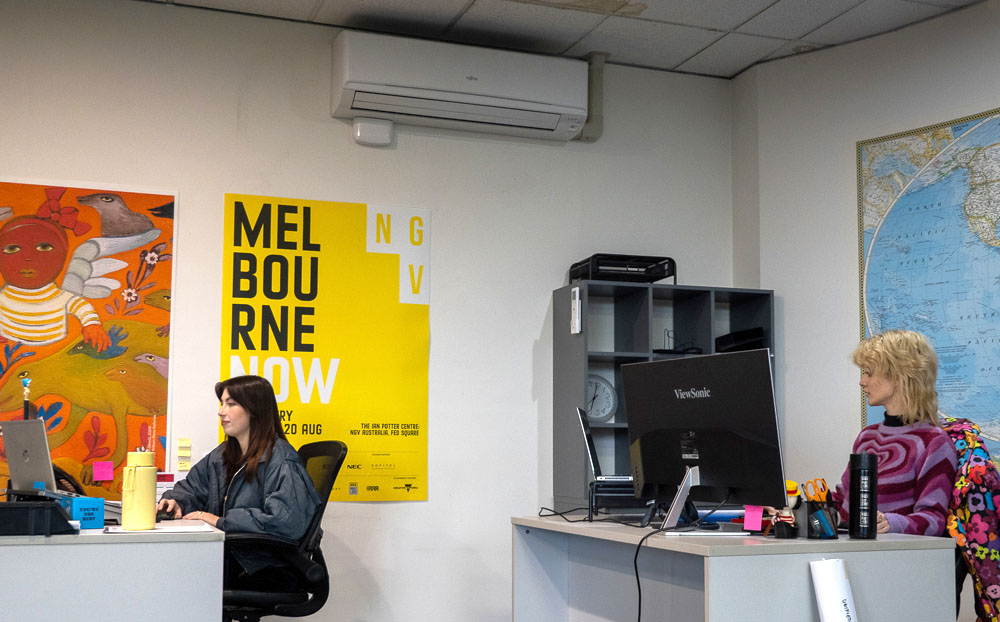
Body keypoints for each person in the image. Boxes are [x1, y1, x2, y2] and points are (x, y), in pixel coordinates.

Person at [157, 375, 321, 589]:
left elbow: (285, 521)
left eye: (231, 404)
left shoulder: (281, 459)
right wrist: (176, 502)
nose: (221, 411)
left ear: (254, 410)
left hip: (262, 567)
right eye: (222, 403)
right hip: (233, 558)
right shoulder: (223, 455)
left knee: (176, 581)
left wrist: (219, 520)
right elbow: (192, 487)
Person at [833, 329, 957, 536]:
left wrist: (891, 523)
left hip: (896, 559)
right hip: (852, 551)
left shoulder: (933, 442)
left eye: (869, 373)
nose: (862, 381)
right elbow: (844, 497)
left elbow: (934, 520)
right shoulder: (867, 437)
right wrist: (798, 506)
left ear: (900, 376)